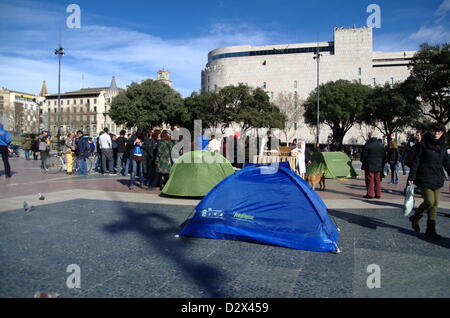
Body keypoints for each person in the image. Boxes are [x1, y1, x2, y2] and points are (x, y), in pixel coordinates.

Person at [407, 123, 450, 239]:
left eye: (439, 132)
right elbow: (416, 161)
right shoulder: (423, 144)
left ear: (442, 133)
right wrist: (411, 177)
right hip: (424, 177)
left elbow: (446, 162)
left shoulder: (443, 146)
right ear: (430, 131)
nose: (436, 134)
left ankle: (430, 230)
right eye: (434, 131)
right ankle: (416, 216)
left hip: (437, 178)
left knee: (435, 205)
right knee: (429, 201)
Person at [360, 131, 386, 199]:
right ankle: (378, 193)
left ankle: (370, 194)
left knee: (370, 179)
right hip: (378, 165)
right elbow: (384, 156)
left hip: (369, 165)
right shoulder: (381, 145)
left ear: (369, 136)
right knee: (377, 179)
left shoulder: (368, 144)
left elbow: (364, 156)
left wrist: (363, 162)